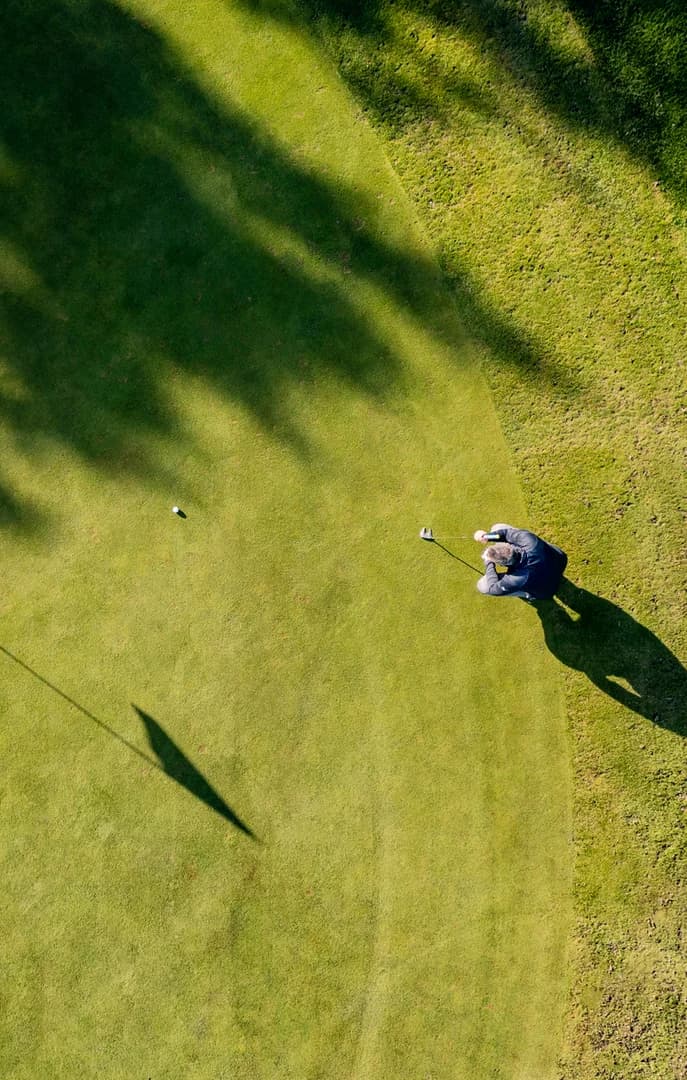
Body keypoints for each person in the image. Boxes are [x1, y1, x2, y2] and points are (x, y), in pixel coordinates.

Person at [473, 523, 567, 600]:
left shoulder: (516, 579)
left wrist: (488, 562)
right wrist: (487, 536)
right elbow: (505, 534)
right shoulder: (527, 539)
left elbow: (493, 588)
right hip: (560, 561)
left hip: (548, 590)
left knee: (483, 585)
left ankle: (529, 596)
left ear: (503, 564)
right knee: (498, 527)